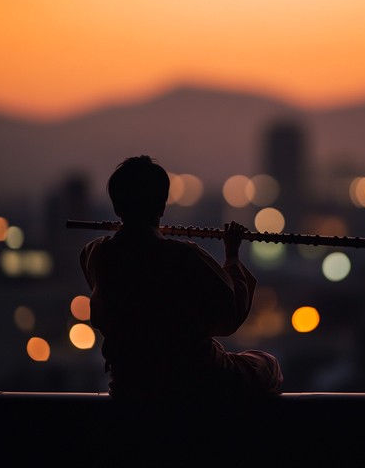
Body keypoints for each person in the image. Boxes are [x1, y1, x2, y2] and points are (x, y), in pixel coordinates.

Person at [79, 155, 283, 403]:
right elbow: (231, 315)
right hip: (194, 379)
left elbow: (108, 256)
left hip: (128, 384)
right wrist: (232, 254)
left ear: (117, 207)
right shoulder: (183, 257)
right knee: (267, 365)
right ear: (162, 206)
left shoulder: (97, 255)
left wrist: (127, 233)